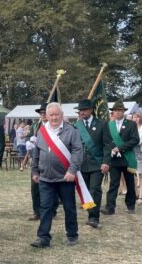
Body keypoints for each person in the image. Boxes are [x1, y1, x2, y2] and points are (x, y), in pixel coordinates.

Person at [30, 102, 83, 248]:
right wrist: (35, 171)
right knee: (45, 207)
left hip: (65, 177)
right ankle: (43, 237)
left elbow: (78, 151)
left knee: (69, 207)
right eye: (51, 115)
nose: (54, 118)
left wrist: (72, 170)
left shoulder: (72, 131)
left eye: (57, 114)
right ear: (46, 116)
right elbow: (36, 152)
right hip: (45, 177)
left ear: (62, 115)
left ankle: (72, 235)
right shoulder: (41, 131)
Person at [73, 99, 111, 228]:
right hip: (81, 164)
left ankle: (94, 217)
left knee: (95, 189)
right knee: (86, 191)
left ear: (90, 110)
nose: (81, 112)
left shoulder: (102, 124)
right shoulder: (76, 125)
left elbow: (107, 145)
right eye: (80, 110)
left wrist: (106, 162)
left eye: (83, 110)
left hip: (97, 163)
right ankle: (90, 211)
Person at [102, 101, 140, 215]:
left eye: (120, 110)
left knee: (130, 183)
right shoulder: (109, 125)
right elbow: (106, 141)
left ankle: (131, 205)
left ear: (124, 112)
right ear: (112, 112)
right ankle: (110, 207)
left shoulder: (131, 124)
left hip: (127, 158)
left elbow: (135, 140)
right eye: (116, 110)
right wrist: (113, 149)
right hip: (114, 159)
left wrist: (120, 148)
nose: (118, 112)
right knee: (114, 184)